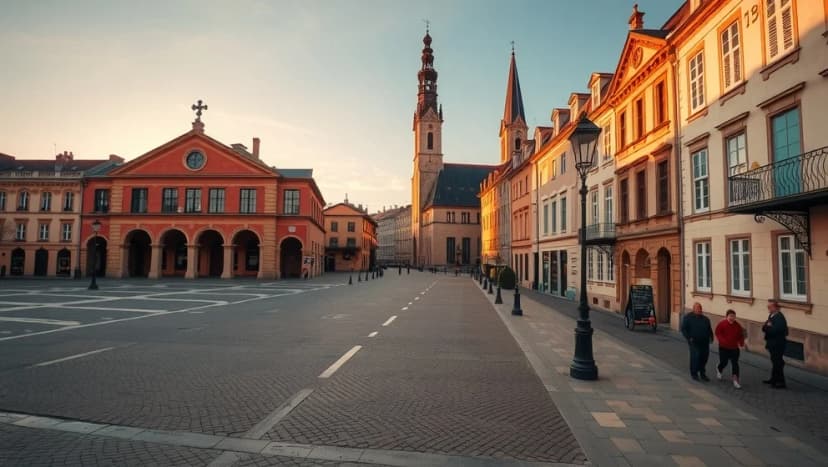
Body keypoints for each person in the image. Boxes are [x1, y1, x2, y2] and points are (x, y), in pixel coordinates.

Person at [681, 302, 714, 381]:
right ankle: (694, 373)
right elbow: (684, 329)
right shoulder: (688, 317)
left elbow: (709, 329)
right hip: (694, 341)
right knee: (696, 357)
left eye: (700, 308)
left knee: (704, 357)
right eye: (697, 308)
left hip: (704, 342)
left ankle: (702, 373)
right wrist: (689, 338)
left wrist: (711, 337)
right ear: (693, 309)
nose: (699, 310)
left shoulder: (705, 319)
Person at [715, 309, 745, 389]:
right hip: (723, 347)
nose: (732, 318)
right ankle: (719, 368)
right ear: (727, 317)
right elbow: (718, 333)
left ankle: (735, 380)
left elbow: (741, 335)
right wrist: (722, 341)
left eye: (733, 316)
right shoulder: (722, 324)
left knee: (735, 363)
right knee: (724, 362)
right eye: (730, 316)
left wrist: (741, 343)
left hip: (734, 348)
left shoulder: (737, 325)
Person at [763, 299, 789, 389]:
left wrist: (768, 327)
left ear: (775, 307)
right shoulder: (771, 315)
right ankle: (774, 379)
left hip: (778, 344)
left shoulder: (779, 317)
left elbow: (776, 331)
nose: (768, 308)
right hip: (772, 343)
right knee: (775, 362)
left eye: (769, 307)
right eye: (768, 306)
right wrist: (768, 326)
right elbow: (764, 327)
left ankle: (781, 382)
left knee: (778, 362)